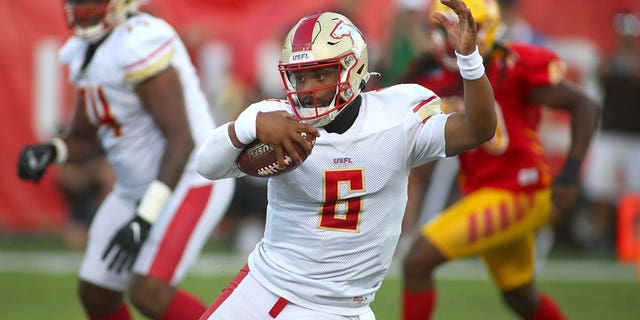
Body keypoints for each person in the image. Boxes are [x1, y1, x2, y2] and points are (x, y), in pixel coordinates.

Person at [195, 0, 496, 318]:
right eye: (300, 77)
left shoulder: (397, 117)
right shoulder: (274, 119)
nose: (307, 89)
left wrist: (469, 60)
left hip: (344, 310)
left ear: (353, 69)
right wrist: (247, 126)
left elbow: (478, 129)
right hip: (267, 290)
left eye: (320, 75)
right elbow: (206, 165)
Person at [16, 1, 235, 319]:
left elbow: (180, 141)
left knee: (150, 293)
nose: (80, 7)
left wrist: (145, 218)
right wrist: (51, 151)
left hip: (190, 179)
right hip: (137, 186)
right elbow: (84, 137)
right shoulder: (83, 51)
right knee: (97, 292)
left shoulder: (139, 42)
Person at [401, 0, 599, 319]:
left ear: (484, 30)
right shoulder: (431, 76)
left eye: (463, 28)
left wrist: (570, 173)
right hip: (485, 191)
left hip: (519, 190)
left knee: (417, 260)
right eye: (441, 29)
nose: (450, 37)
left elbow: (585, 105)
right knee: (519, 296)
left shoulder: (513, 62)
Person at [582, 10, 640, 255]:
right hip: (609, 134)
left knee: (635, 192)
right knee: (602, 190)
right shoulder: (609, 59)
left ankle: (633, 239)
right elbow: (600, 73)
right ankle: (600, 238)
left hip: (635, 136)